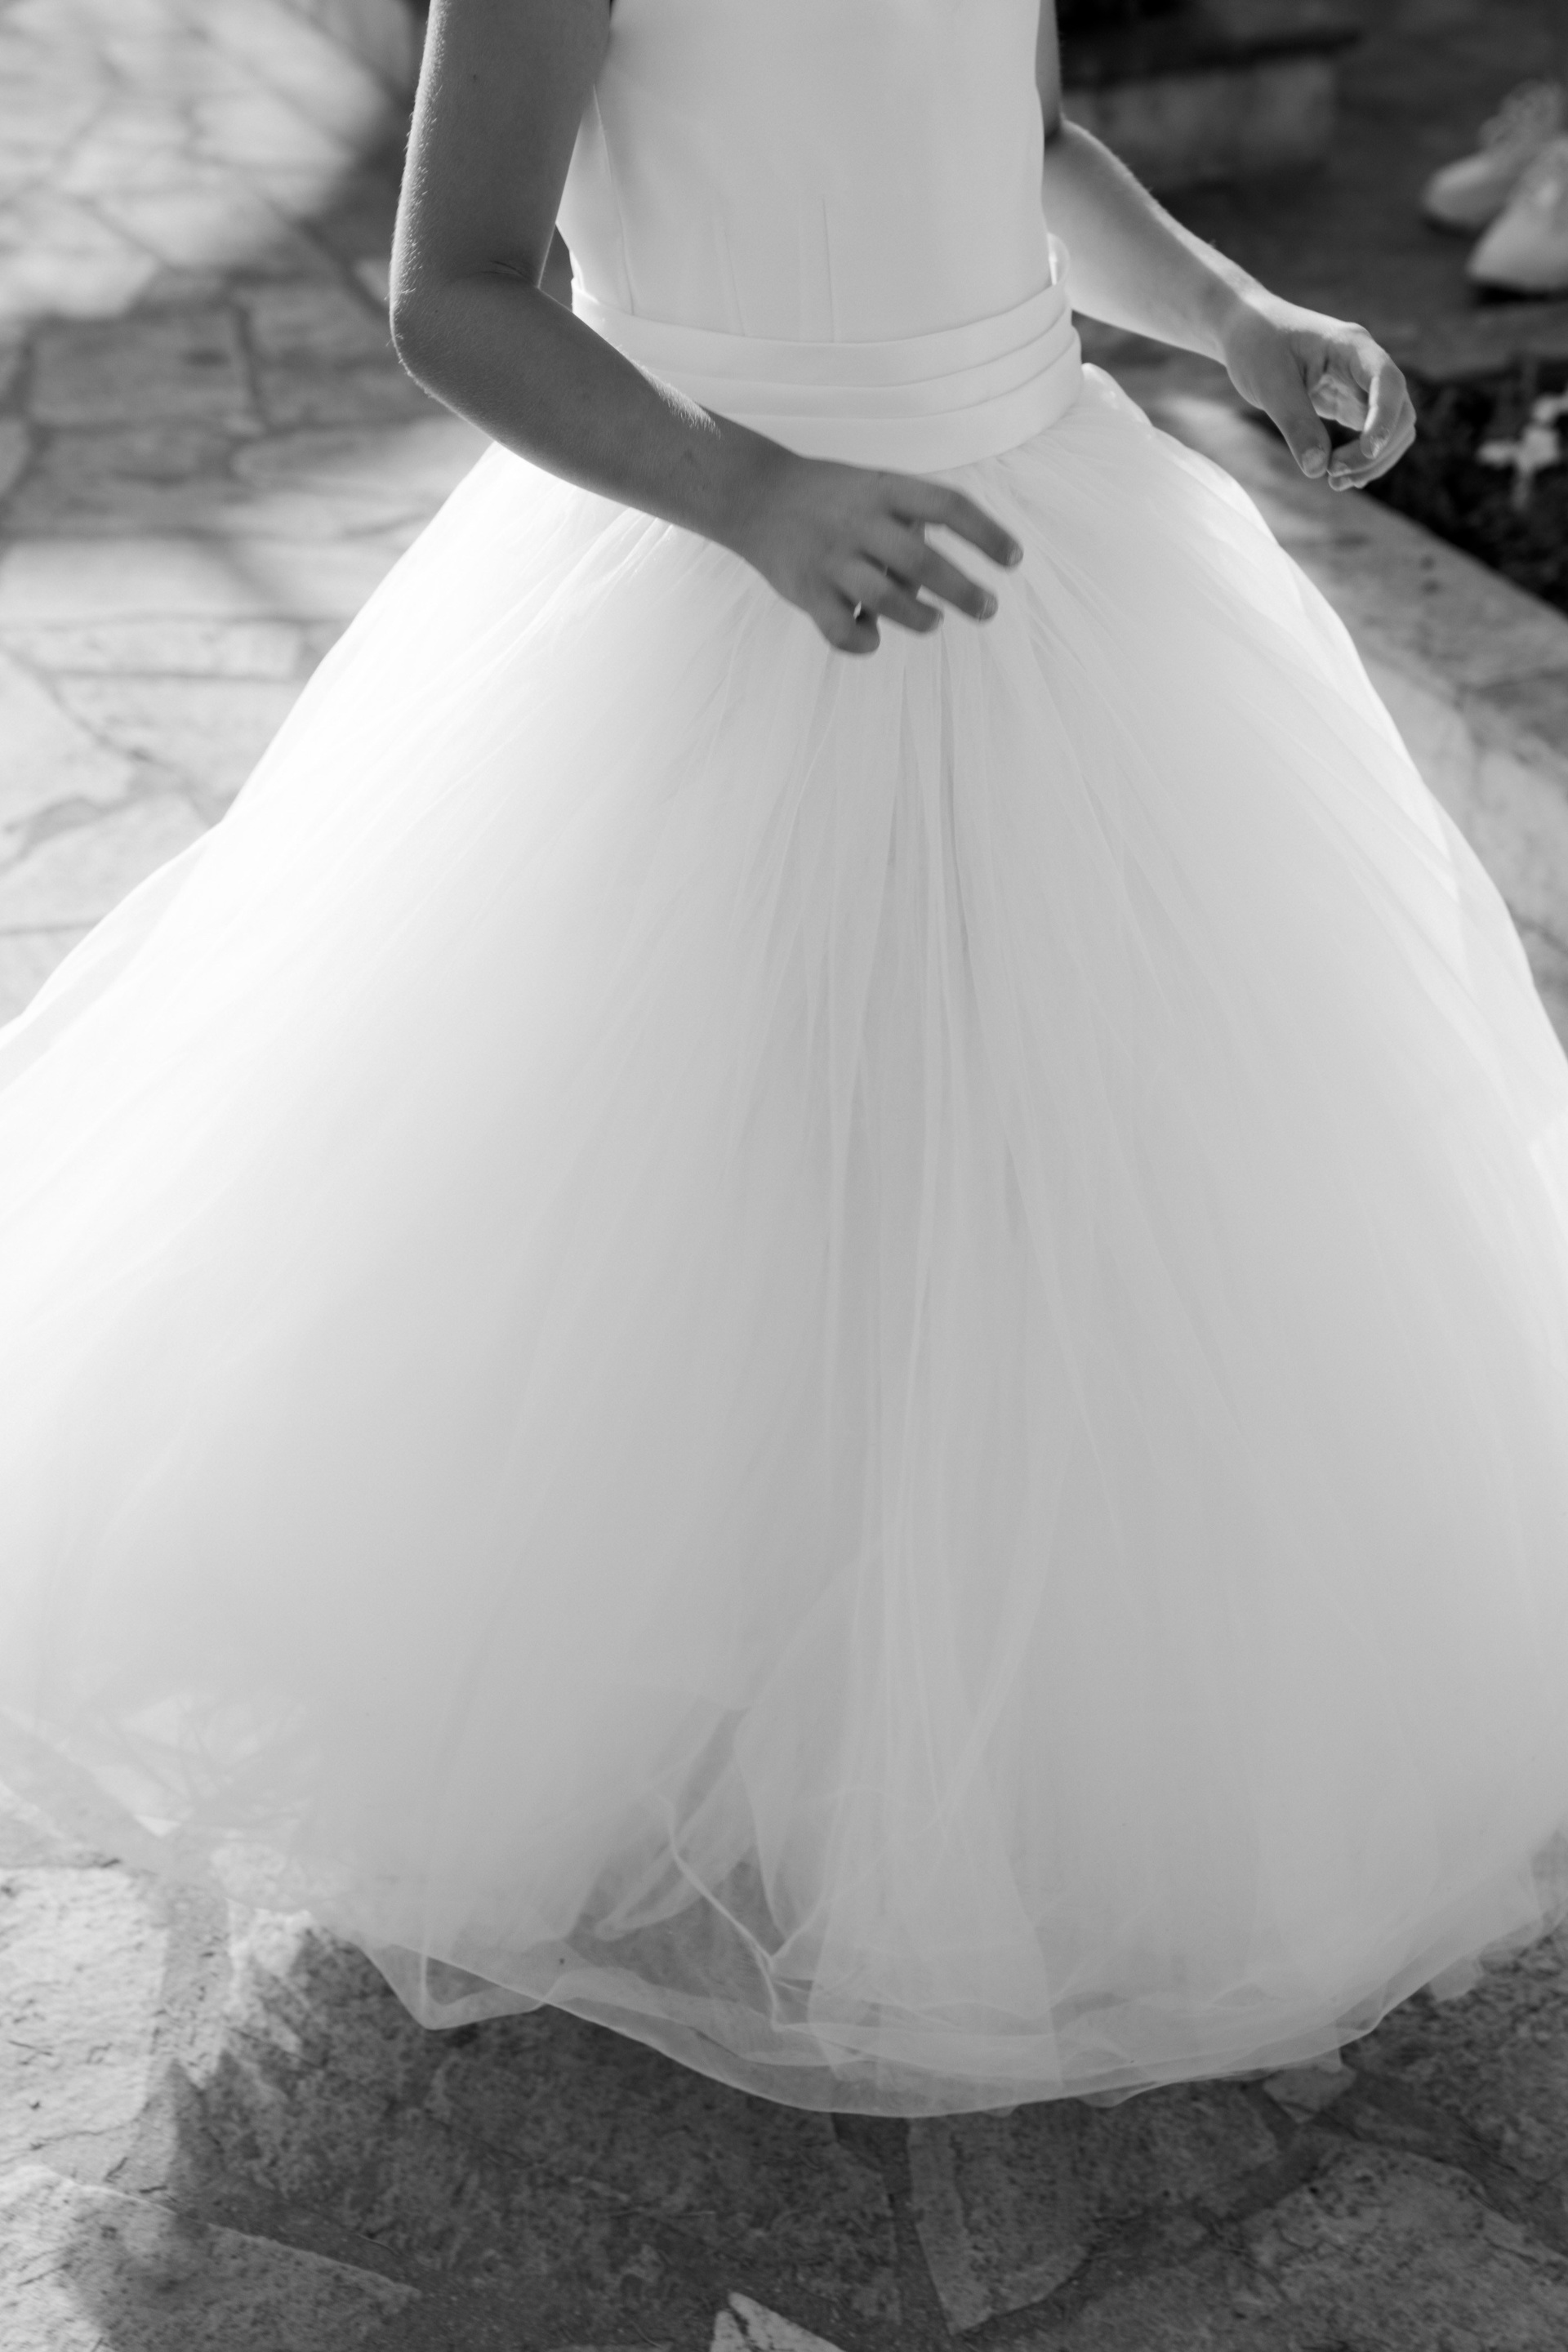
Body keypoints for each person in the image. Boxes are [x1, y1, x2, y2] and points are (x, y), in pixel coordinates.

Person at [2, 0, 1568, 2120]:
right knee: (707, 1173)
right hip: (715, 561)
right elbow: (457, 292)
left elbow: (1016, 142)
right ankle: (672, 1696)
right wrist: (749, 490)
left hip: (1051, 551)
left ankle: (1004, 1715)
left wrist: (1231, 312)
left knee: (1045, 1167)